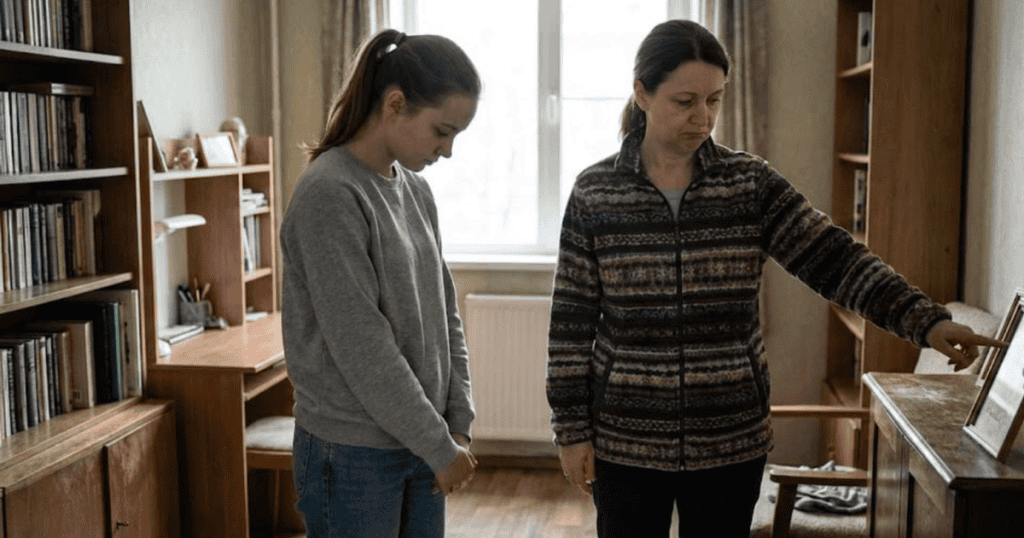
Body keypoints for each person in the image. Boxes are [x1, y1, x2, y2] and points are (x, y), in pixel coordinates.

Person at [545, 19, 1004, 538]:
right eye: (685, 101)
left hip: (731, 438)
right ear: (642, 94)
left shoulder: (749, 183)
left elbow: (836, 259)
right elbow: (570, 323)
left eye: (715, 100)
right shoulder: (596, 192)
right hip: (624, 440)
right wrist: (571, 431)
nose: (704, 118)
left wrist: (925, 321)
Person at [280, 28, 480, 538]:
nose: (449, 150)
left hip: (421, 439)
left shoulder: (416, 190)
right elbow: (365, 350)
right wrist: (440, 445)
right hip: (353, 454)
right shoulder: (329, 193)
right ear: (395, 104)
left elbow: (445, 313)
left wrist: (456, 423)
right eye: (442, 131)